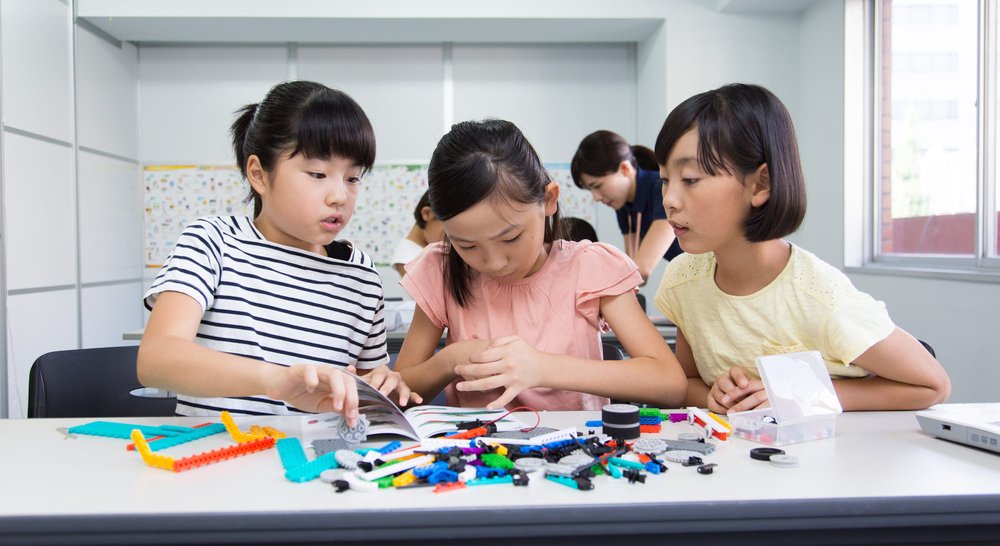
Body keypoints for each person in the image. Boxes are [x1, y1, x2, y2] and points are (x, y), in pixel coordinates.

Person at [652, 83, 951, 413]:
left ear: (761, 184)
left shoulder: (821, 298)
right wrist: (711, 396)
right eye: (665, 180)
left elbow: (932, 385)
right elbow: (688, 382)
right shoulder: (684, 280)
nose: (669, 200)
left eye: (690, 179)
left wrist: (800, 393)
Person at [138, 81, 418, 423]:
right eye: (318, 173)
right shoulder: (214, 242)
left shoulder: (360, 275)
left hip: (317, 463)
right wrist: (274, 379)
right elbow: (156, 358)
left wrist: (382, 384)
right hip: (215, 458)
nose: (340, 196)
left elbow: (367, 386)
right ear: (258, 174)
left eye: (353, 178)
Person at [393, 119, 686, 411]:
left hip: (578, 450)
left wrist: (542, 368)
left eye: (511, 238)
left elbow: (669, 383)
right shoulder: (442, 269)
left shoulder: (589, 267)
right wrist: (451, 359)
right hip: (475, 452)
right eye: (466, 246)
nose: (494, 263)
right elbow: (398, 393)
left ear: (548, 200)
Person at [571, 130, 682, 280]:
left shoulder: (660, 188)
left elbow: (642, 268)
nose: (596, 197)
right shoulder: (624, 207)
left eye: (597, 186)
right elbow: (632, 267)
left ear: (625, 169)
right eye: (590, 189)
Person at [391, 190, 444, 277]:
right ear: (427, 214)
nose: (452, 240)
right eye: (448, 232)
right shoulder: (405, 257)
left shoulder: (435, 248)